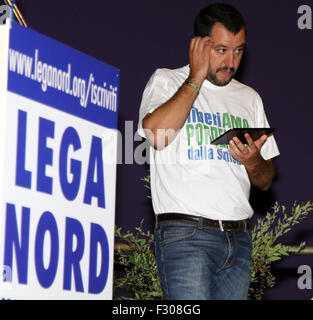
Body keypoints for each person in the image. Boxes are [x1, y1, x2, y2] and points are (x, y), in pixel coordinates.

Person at [137, 3, 279, 300]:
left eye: (239, 51)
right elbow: (155, 135)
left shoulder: (249, 98)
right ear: (199, 46)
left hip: (239, 240)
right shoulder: (167, 80)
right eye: (222, 50)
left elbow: (266, 179)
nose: (231, 61)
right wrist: (196, 78)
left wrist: (253, 161)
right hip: (186, 235)